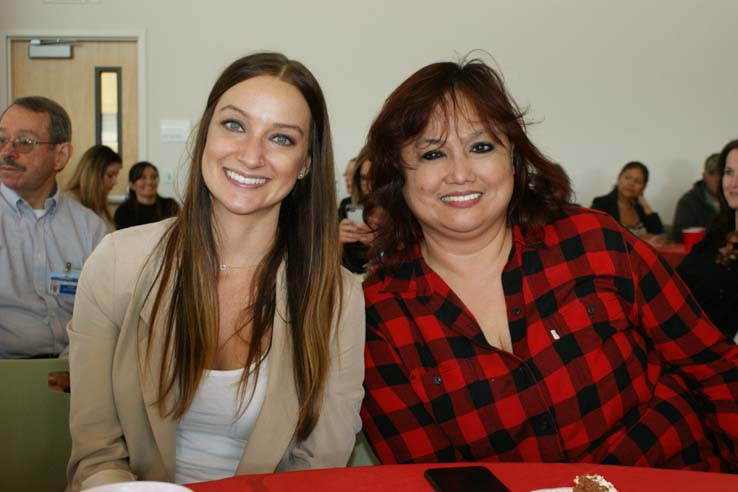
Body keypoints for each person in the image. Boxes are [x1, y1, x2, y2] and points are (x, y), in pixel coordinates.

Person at [359, 56, 738, 472]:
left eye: (481, 147)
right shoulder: (379, 314)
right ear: (399, 175)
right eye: (432, 154)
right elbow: (432, 479)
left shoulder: (592, 239)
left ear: (515, 160)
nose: (460, 173)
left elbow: (715, 370)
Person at [66, 52, 365, 490]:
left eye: (281, 139)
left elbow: (318, 467)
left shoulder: (337, 295)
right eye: (234, 125)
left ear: (305, 163)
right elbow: (96, 457)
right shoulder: (116, 264)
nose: (251, 155)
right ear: (206, 132)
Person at [0, 96, 107, 359]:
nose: (6, 152)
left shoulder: (90, 228)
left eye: (24, 142)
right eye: (1, 140)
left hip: (76, 370)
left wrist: (71, 365)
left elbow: (107, 313)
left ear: (60, 155)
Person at [678, 140, 738, 341]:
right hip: (687, 341)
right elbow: (679, 279)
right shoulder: (718, 231)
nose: (733, 183)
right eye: (729, 172)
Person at [591, 161, 666, 247]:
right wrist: (639, 240)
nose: (631, 184)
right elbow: (597, 237)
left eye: (637, 181)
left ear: (643, 187)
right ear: (619, 179)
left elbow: (660, 236)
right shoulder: (602, 204)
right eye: (627, 178)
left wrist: (645, 204)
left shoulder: (640, 208)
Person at [338, 146, 376, 273]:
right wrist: (336, 241)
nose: (368, 184)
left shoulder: (399, 211)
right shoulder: (347, 206)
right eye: (364, 178)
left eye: (373, 177)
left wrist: (379, 242)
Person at [66, 144, 122, 231]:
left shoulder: (99, 203)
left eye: (116, 175)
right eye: (110, 175)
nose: (115, 182)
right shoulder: (69, 203)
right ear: (93, 174)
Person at [113, 161, 180, 229]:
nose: (149, 182)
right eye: (143, 178)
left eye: (153, 177)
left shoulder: (170, 205)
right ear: (132, 184)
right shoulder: (123, 211)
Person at [671, 153, 721, 243]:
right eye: (712, 173)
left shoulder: (734, 199)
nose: (717, 179)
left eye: (722, 174)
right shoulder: (688, 202)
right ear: (704, 176)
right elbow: (679, 236)